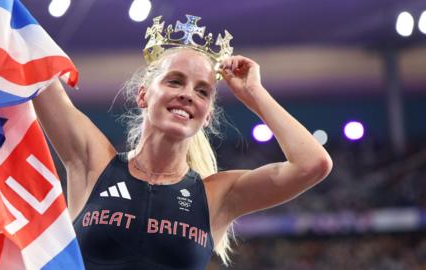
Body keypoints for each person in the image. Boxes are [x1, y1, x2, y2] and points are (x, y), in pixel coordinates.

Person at [32, 15, 332, 270]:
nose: (187, 94)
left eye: (202, 91)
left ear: (207, 116)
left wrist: (254, 94)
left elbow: (313, 164)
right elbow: (32, 65)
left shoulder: (217, 196)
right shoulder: (94, 164)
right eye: (174, 81)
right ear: (143, 94)